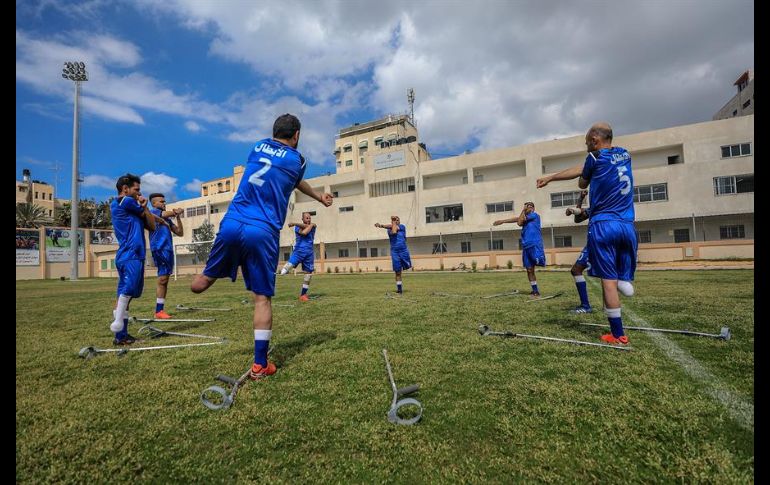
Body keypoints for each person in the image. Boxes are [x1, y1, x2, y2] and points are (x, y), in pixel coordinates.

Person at [191, 114, 333, 379]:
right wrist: (320, 197)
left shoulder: (257, 146)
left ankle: (211, 273)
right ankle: (260, 365)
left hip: (232, 222)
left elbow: (286, 175)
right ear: (297, 135)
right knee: (262, 298)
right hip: (263, 229)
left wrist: (316, 194)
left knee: (198, 286)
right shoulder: (298, 160)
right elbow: (294, 177)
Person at [537, 122, 637, 345]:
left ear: (595, 140)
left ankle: (618, 334)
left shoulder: (593, 158)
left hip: (604, 225)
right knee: (620, 279)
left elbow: (582, 178)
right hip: (628, 225)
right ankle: (623, 281)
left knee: (607, 281)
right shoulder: (625, 154)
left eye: (586, 143)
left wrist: (551, 177)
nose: (586, 148)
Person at [566, 190, 634, 314]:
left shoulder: (608, 206)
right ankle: (601, 306)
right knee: (601, 273)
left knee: (581, 270)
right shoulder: (598, 206)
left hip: (598, 241)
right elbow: (578, 219)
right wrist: (580, 200)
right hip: (597, 241)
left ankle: (588, 306)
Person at [109, 173, 156, 345]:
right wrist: (144, 206)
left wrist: (146, 208)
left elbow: (152, 225)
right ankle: (118, 325)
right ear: (125, 189)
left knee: (126, 294)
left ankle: (121, 336)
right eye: (136, 190)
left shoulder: (131, 209)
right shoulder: (125, 201)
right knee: (127, 291)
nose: (139, 193)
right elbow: (151, 221)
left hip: (128, 255)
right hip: (131, 255)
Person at [493, 202, 546, 296]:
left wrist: (523, 210)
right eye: (526, 207)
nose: (528, 208)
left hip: (535, 244)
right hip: (526, 246)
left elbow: (519, 222)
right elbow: (518, 219)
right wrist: (502, 221)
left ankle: (536, 290)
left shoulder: (535, 215)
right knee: (529, 269)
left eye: (529, 207)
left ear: (533, 208)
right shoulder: (525, 217)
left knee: (538, 264)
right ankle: (535, 291)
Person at [147, 193, 184, 319]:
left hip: (167, 250)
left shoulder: (167, 218)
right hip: (159, 248)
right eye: (161, 201)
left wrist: (178, 217)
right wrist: (175, 211)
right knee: (162, 279)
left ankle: (160, 310)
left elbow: (180, 232)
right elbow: (165, 214)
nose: (164, 203)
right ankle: (159, 311)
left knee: (165, 280)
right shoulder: (154, 213)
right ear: (154, 203)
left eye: (164, 201)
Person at [279, 212, 317, 301]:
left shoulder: (313, 226)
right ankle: (272, 277)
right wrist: (299, 224)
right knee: (285, 270)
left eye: (309, 218)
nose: (308, 219)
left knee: (308, 275)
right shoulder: (297, 227)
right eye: (306, 218)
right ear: (302, 219)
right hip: (298, 252)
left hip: (309, 254)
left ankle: (303, 295)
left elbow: (307, 229)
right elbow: (304, 233)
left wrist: (295, 223)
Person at [374, 215, 412, 294]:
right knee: (397, 271)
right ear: (391, 222)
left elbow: (395, 228)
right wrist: (384, 225)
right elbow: (393, 231)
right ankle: (399, 290)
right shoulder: (389, 230)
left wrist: (381, 225)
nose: (396, 221)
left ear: (399, 221)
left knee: (407, 266)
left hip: (403, 251)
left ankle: (400, 287)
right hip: (395, 252)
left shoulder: (402, 227)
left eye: (397, 220)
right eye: (394, 220)